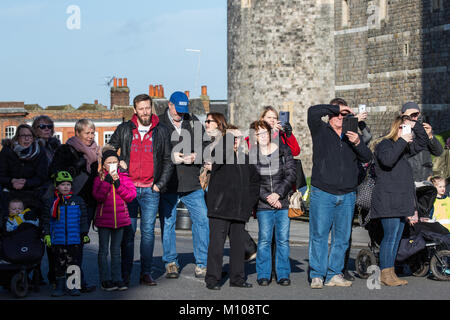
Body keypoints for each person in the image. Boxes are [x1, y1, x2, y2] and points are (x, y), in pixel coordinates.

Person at [107, 94, 173, 286]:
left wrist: (159, 185)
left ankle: (145, 272)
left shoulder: (161, 130)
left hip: (151, 190)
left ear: (151, 108)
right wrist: (116, 159)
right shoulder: (124, 129)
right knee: (128, 233)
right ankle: (125, 274)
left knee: (148, 234)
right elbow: (110, 147)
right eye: (141, 108)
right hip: (129, 189)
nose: (145, 112)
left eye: (147, 108)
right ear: (134, 110)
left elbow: (169, 161)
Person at [307, 100, 373, 289]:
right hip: (323, 192)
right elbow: (312, 111)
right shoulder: (320, 129)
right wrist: (337, 108)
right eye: (337, 114)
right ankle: (317, 275)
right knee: (319, 235)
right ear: (330, 114)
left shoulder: (351, 135)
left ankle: (334, 273)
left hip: (347, 194)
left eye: (343, 115)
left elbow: (368, 158)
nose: (340, 118)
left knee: (342, 238)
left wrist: (357, 142)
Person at [370, 115, 429, 286]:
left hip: (400, 200)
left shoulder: (404, 148)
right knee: (389, 236)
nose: (407, 131)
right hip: (387, 199)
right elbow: (388, 161)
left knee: (396, 237)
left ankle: (391, 271)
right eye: (403, 127)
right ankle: (385, 273)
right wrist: (402, 140)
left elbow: (423, 142)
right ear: (397, 128)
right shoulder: (385, 145)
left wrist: (415, 125)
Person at [158, 91, 210, 279]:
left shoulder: (193, 120)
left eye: (183, 110)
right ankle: (171, 262)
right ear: (170, 105)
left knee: (203, 220)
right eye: (177, 110)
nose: (180, 114)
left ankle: (202, 263)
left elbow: (206, 145)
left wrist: (197, 156)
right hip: (169, 182)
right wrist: (172, 157)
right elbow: (155, 151)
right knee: (168, 223)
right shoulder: (159, 123)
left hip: (192, 182)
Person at [205, 128, 260, 290]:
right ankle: (212, 279)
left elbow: (255, 182)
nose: (236, 141)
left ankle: (237, 278)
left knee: (237, 248)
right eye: (232, 138)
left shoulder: (246, 159)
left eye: (238, 138)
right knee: (216, 246)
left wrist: (249, 203)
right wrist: (228, 137)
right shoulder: (219, 154)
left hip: (239, 211)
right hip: (219, 209)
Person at [49, 119, 99, 292]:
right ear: (77, 133)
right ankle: (63, 282)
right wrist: (74, 167)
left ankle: (76, 282)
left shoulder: (94, 153)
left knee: (78, 248)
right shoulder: (66, 149)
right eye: (87, 133)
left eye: (93, 133)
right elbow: (54, 173)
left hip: (87, 204)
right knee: (64, 247)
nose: (91, 136)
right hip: (68, 204)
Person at [250, 120, 296, 286]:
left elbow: (291, 175)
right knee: (264, 240)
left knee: (283, 240)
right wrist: (268, 197)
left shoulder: (283, 151)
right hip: (263, 205)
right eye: (258, 133)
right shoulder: (252, 156)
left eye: (264, 132)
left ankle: (283, 274)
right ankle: (264, 274)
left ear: (270, 134)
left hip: (282, 203)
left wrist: (278, 194)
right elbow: (253, 182)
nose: (262, 136)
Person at [92, 149, 136, 291]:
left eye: (114, 162)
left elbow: (130, 196)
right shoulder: (100, 178)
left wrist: (117, 184)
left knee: (116, 251)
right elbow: (97, 197)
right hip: (104, 220)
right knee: (104, 251)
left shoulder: (124, 177)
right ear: (104, 165)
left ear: (118, 164)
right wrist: (107, 183)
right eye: (109, 163)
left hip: (121, 220)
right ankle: (105, 280)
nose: (112, 165)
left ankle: (117, 278)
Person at [42, 171, 89, 297]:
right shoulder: (51, 202)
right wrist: (47, 234)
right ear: (56, 186)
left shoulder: (78, 201)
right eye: (63, 184)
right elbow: (47, 220)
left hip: (74, 240)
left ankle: (73, 286)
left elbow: (83, 218)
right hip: (58, 240)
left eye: (68, 184)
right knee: (59, 264)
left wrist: (84, 233)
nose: (66, 187)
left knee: (74, 263)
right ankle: (60, 286)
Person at [32, 115, 61, 286]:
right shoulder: (33, 147)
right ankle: (36, 273)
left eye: (49, 126)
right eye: (42, 126)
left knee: (52, 237)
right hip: (35, 196)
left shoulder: (55, 148)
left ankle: (53, 272)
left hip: (51, 197)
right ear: (35, 129)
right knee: (36, 236)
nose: (47, 129)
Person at [0, 124, 48, 211]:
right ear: (17, 137)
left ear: (33, 138)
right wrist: (12, 181)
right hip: (10, 193)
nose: (27, 139)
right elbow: (1, 174)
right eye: (23, 136)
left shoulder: (40, 151)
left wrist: (26, 182)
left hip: (33, 194)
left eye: (29, 136)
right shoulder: (7, 151)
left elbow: (42, 176)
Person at [401, 102, 443, 183]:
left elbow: (438, 152)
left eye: (416, 114)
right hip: (407, 177)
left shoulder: (423, 129)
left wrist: (430, 137)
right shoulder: (398, 129)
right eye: (411, 115)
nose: (414, 118)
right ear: (404, 115)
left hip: (425, 176)